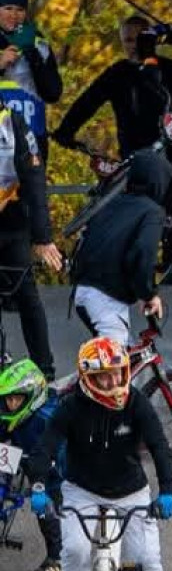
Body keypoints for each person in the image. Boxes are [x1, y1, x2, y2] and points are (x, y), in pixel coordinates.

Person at [24, 336, 172, 571]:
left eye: (117, 373)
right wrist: (38, 486)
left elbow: (159, 445)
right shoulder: (70, 407)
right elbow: (46, 447)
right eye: (103, 376)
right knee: (76, 550)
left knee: (146, 558)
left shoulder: (137, 402)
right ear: (87, 378)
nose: (113, 382)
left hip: (131, 491)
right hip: (82, 489)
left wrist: (167, 490)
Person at [53, 15, 172, 170]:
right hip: (133, 158)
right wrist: (65, 131)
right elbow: (87, 102)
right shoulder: (117, 73)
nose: (134, 45)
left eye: (139, 39)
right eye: (128, 40)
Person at [66, 142, 168, 351]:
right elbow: (143, 254)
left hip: (84, 290)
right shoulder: (152, 212)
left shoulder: (112, 202)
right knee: (113, 363)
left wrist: (142, 293)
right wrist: (149, 294)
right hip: (105, 299)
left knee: (122, 357)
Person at [0, 83, 60, 378]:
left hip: (12, 225)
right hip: (12, 224)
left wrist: (42, 237)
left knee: (26, 295)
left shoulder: (13, 122)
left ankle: (45, 370)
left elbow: (35, 180)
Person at [0, 357, 61, 571]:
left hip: (53, 470)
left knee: (45, 508)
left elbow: (56, 457)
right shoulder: (13, 414)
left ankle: (56, 559)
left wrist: (39, 484)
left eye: (15, 399)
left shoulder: (47, 420)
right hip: (25, 454)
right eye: (7, 400)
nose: (9, 405)